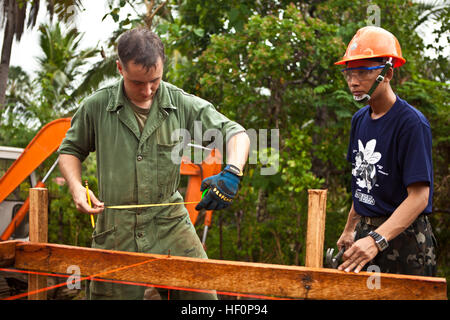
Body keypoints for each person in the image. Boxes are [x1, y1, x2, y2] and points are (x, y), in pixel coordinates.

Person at [58, 27, 250, 299]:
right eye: (138, 82)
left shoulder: (181, 104)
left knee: (204, 298)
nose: (148, 90)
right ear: (120, 68)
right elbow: (69, 150)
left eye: (155, 81)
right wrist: (77, 188)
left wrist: (232, 173)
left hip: (170, 225)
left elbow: (237, 133)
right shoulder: (96, 106)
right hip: (116, 231)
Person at [335, 26, 437, 276]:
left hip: (404, 239)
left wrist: (376, 240)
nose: (353, 82)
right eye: (349, 73)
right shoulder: (359, 119)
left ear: (388, 73)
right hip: (365, 237)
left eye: (362, 72)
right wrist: (350, 228)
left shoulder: (410, 123)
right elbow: (362, 183)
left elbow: (419, 196)